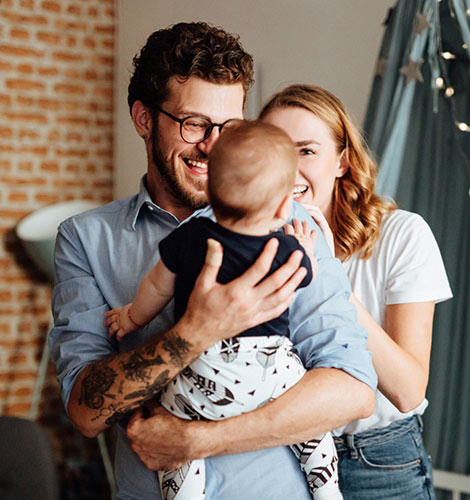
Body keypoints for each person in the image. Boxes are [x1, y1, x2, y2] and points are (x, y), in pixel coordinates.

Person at [49, 23, 376, 500]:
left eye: (228, 128)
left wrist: (196, 441)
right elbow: (86, 411)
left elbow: (352, 391)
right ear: (143, 118)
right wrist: (197, 331)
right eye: (194, 124)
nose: (212, 146)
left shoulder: (291, 225)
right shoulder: (86, 239)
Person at [105, 120, 343, 500]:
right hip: (269, 374)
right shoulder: (284, 249)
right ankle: (326, 488)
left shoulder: (191, 237)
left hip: (203, 373)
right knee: (313, 429)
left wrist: (132, 316)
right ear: (285, 205)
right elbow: (306, 276)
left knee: (170, 425)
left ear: (210, 193)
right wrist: (306, 251)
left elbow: (156, 287)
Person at [258, 84, 452, 499]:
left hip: (378, 461)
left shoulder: (402, 235)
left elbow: (408, 389)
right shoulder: (251, 243)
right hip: (280, 456)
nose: (289, 169)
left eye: (307, 151)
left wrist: (327, 274)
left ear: (342, 161)